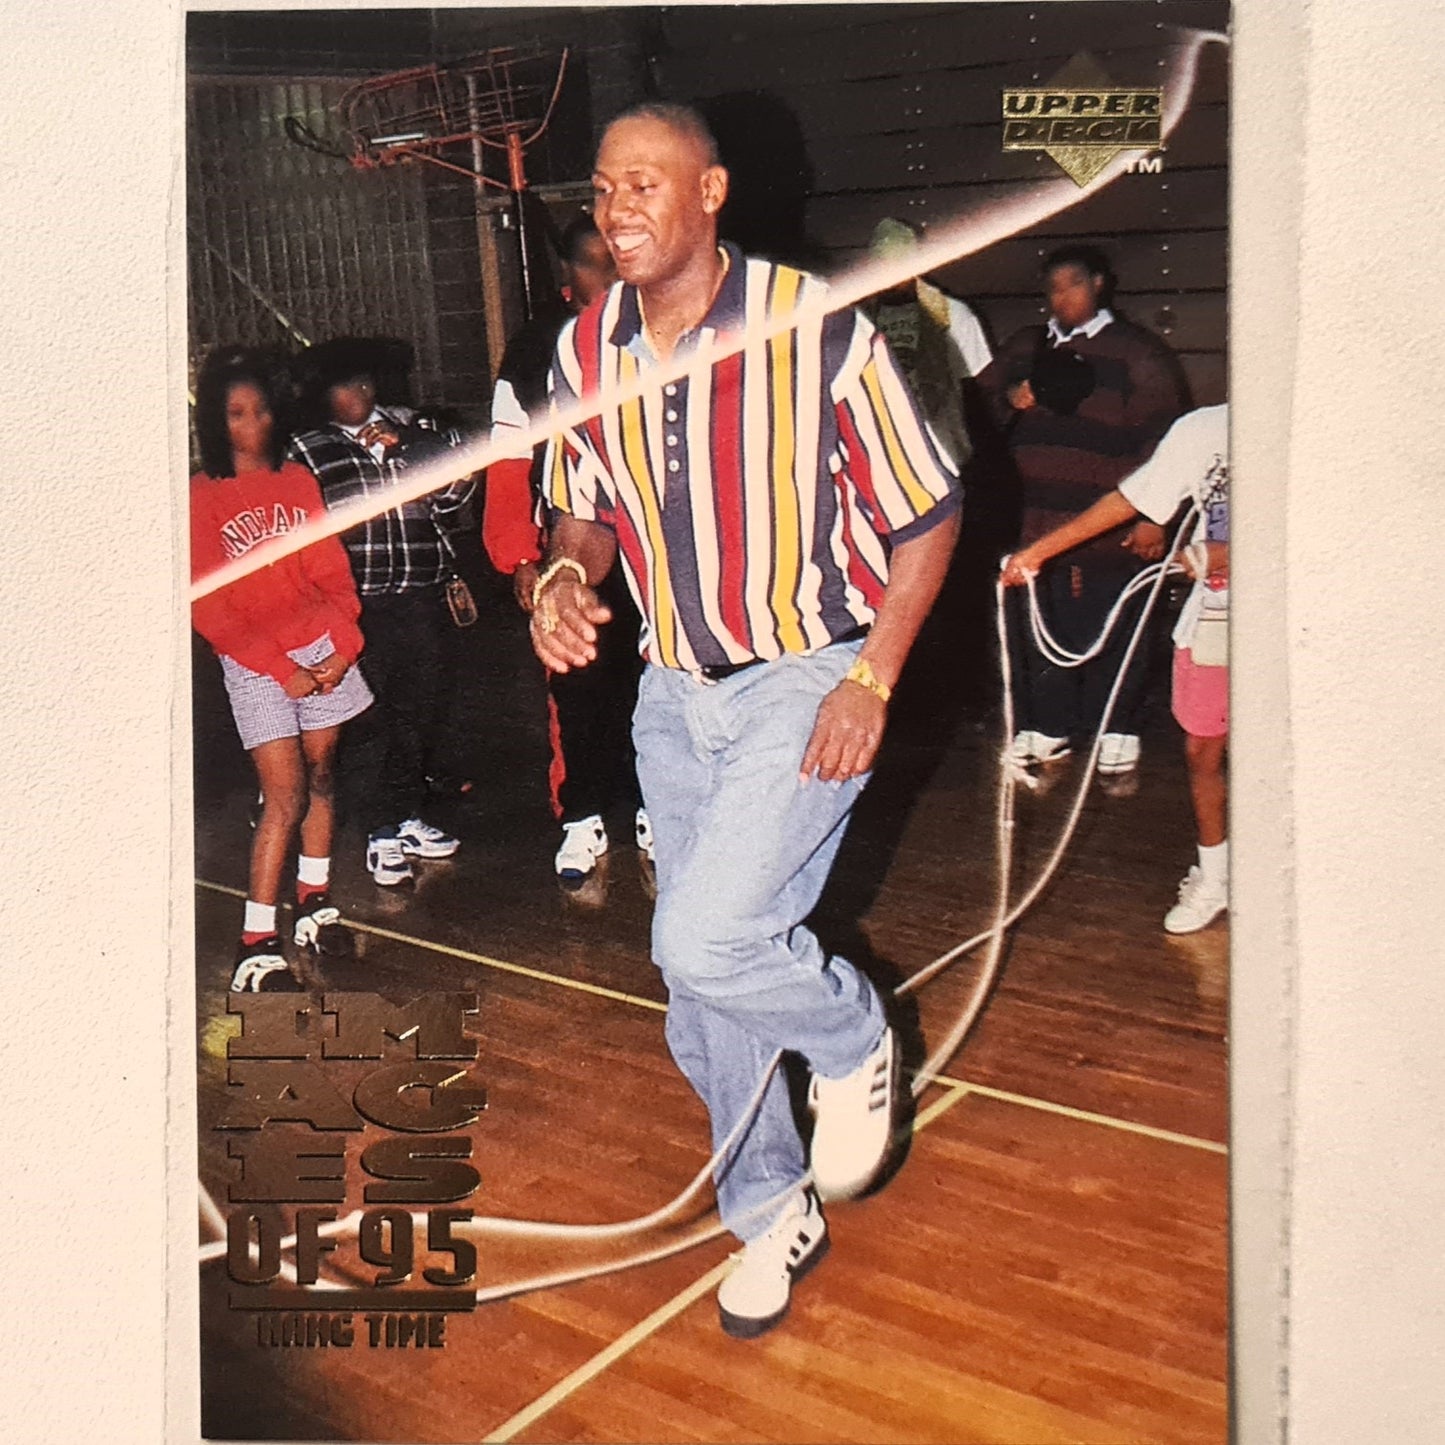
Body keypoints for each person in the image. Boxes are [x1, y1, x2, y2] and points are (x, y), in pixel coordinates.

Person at [530, 103, 961, 1338]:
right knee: (700, 993)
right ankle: (770, 1210)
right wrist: (559, 575)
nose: (616, 209)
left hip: (803, 675)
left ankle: (852, 1034)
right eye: (603, 187)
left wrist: (869, 681)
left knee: (706, 936)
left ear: (710, 191)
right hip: (672, 696)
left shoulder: (811, 324)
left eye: (644, 184)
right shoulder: (583, 350)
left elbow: (927, 515)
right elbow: (582, 510)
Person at [1002, 404, 1229, 933]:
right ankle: (1217, 876)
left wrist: (1235, 553)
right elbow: (1131, 498)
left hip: (1301, 620)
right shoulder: (1203, 429)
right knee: (1202, 752)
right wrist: (1037, 553)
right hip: (1217, 619)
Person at [190, 346, 374, 992]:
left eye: (262, 410)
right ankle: (255, 944)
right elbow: (210, 606)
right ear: (216, 422)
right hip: (255, 662)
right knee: (285, 795)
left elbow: (333, 574)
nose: (254, 424)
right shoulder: (202, 496)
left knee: (322, 777)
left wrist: (343, 645)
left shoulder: (297, 482)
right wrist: (278, 666)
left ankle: (314, 903)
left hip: (321, 648)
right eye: (237, 413)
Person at [483, 214, 651, 882]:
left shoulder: (654, 329)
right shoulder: (535, 348)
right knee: (577, 681)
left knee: (651, 678)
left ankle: (651, 806)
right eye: (590, 263)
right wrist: (519, 555)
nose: (604, 276)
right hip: (569, 543)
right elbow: (506, 460)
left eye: (615, 261)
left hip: (649, 547)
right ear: (565, 270)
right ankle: (581, 814)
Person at [978, 245, 1188, 775]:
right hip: (1034, 518)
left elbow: (1167, 439)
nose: (1061, 298)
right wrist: (1009, 398)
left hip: (1108, 522)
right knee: (1039, 626)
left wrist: (1153, 516)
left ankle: (1117, 728)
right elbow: (975, 409)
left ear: (1099, 283)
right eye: (1052, 288)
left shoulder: (1137, 352)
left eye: (1072, 285)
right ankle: (1048, 727)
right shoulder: (1027, 346)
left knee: (1116, 625)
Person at [288, 338, 475, 888]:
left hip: (418, 594)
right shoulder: (308, 449)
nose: (361, 394)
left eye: (367, 383)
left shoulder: (414, 431)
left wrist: (411, 448)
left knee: (418, 711)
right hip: (355, 605)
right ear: (323, 395)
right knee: (369, 720)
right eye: (347, 385)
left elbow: (455, 496)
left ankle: (405, 813)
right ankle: (379, 831)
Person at [864, 216, 992, 472]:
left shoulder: (952, 315)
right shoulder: (857, 320)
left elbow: (981, 389)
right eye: (882, 265)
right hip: (878, 452)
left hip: (941, 452)